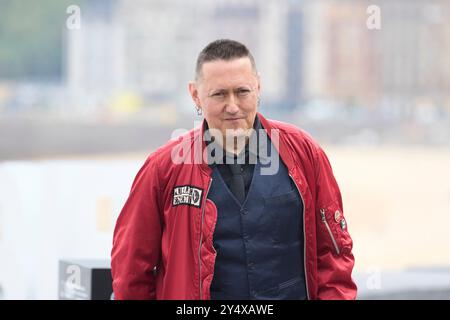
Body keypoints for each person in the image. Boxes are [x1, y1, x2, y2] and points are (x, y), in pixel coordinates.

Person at [111, 39, 357, 300]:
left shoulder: (305, 153)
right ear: (195, 94)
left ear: (258, 86)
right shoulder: (162, 169)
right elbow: (131, 272)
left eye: (242, 92)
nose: (232, 106)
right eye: (219, 94)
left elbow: (334, 256)